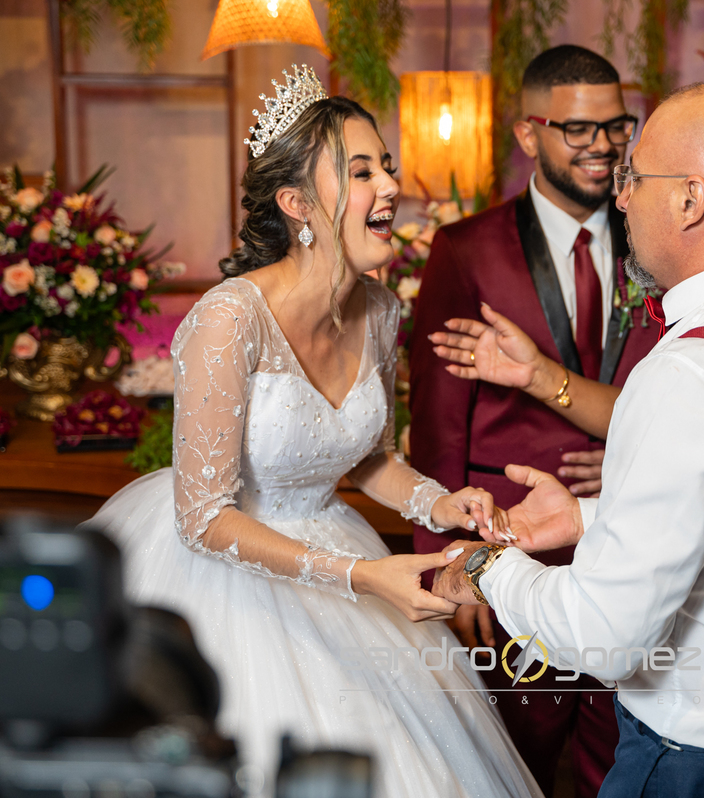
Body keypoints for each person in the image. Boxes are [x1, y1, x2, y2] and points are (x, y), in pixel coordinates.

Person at [88, 67, 541, 798]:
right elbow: (203, 519)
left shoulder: (382, 311)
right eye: (361, 172)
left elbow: (367, 458)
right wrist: (360, 576)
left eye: (385, 166)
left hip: (337, 541)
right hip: (221, 570)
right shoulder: (229, 319)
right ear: (297, 203)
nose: (390, 186)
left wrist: (439, 502)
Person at [430, 82, 704, 798]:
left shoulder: (693, 375)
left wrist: (488, 568)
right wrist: (588, 516)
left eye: (635, 177)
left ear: (692, 200)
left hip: (703, 766)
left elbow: (603, 634)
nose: (622, 197)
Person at [408, 45, 659, 797]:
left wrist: (634, 456)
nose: (603, 145)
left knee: (621, 763)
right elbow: (438, 428)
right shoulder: (466, 250)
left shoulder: (656, 244)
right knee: (510, 766)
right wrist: (449, 565)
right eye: (578, 129)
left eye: (616, 126)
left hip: (631, 548)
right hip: (507, 549)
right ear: (528, 135)